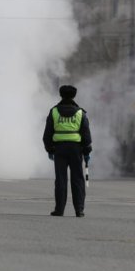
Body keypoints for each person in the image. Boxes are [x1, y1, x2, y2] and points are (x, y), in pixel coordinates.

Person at [42, 85, 92, 217]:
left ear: (61, 95)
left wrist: (49, 149)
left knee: (61, 180)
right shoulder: (81, 113)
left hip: (59, 149)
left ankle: (59, 210)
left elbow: (47, 134)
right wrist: (87, 152)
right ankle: (79, 210)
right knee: (78, 180)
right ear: (74, 96)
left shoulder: (54, 112)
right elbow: (86, 134)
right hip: (76, 149)